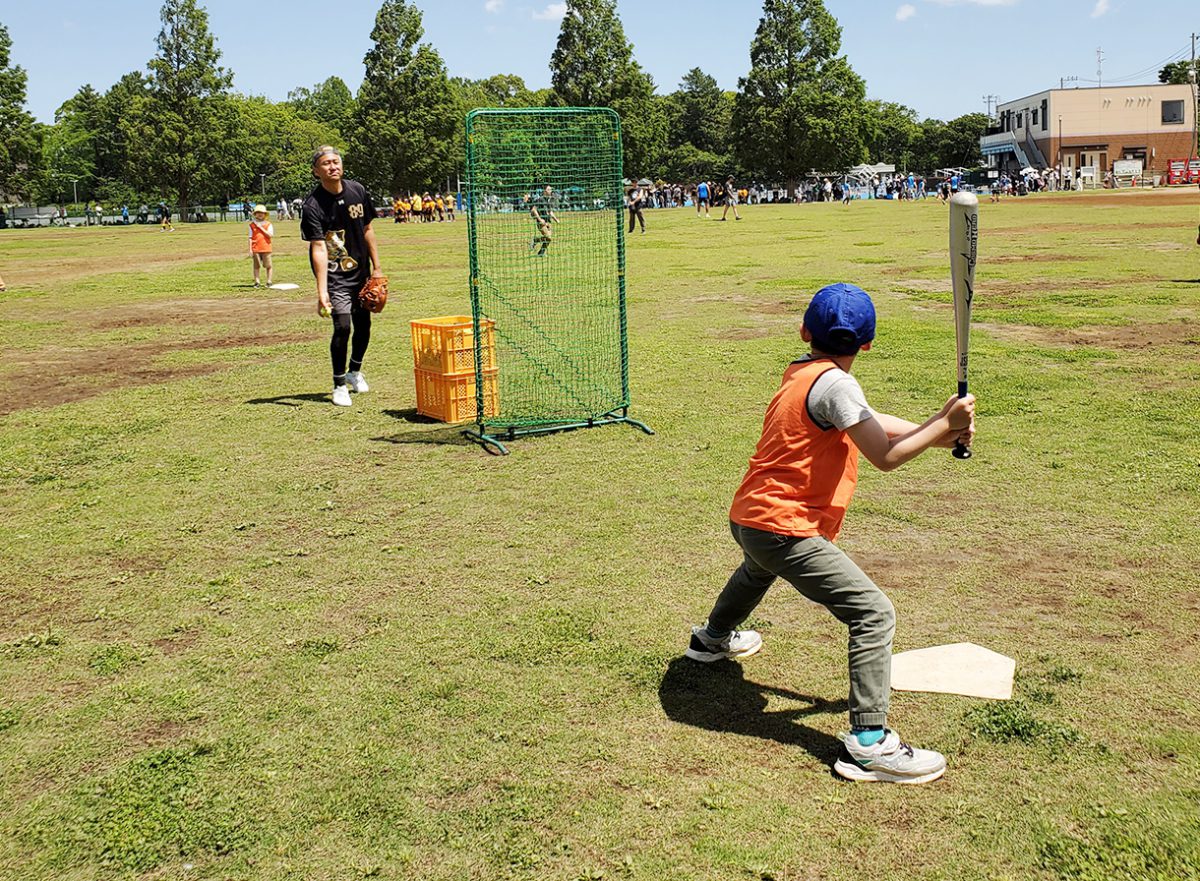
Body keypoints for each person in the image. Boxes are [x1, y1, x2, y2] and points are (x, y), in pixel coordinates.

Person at [685, 282, 976, 785]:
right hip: (783, 527)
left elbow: (865, 422)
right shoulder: (838, 384)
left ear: (804, 331)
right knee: (873, 612)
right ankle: (868, 745)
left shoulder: (803, 372)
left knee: (756, 573)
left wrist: (938, 428)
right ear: (867, 344)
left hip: (752, 517)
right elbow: (882, 455)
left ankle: (711, 640)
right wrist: (940, 425)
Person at [301, 146, 385, 408]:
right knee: (343, 326)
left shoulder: (357, 190)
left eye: (335, 162)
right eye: (325, 164)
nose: (332, 166)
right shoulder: (312, 205)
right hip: (336, 277)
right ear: (317, 171)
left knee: (364, 325)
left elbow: (368, 229)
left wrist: (377, 268)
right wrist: (321, 290)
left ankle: (354, 371)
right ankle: (339, 385)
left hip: (361, 273)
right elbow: (317, 247)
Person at [528, 185, 559, 256]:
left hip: (548, 222)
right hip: (542, 223)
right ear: (545, 191)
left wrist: (556, 220)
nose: (550, 191)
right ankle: (535, 240)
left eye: (551, 189)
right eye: (549, 189)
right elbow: (533, 210)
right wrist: (540, 219)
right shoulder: (540, 199)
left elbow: (550, 212)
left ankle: (541, 253)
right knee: (548, 237)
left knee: (549, 239)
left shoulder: (548, 200)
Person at [248, 203, 274, 287]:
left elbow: (270, 235)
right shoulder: (252, 225)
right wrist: (250, 249)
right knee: (256, 265)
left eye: (262, 212)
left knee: (268, 265)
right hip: (256, 248)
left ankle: (269, 281)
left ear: (265, 214)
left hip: (266, 247)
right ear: (255, 214)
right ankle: (257, 281)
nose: (260, 214)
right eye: (258, 212)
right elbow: (250, 237)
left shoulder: (268, 224)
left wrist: (261, 228)